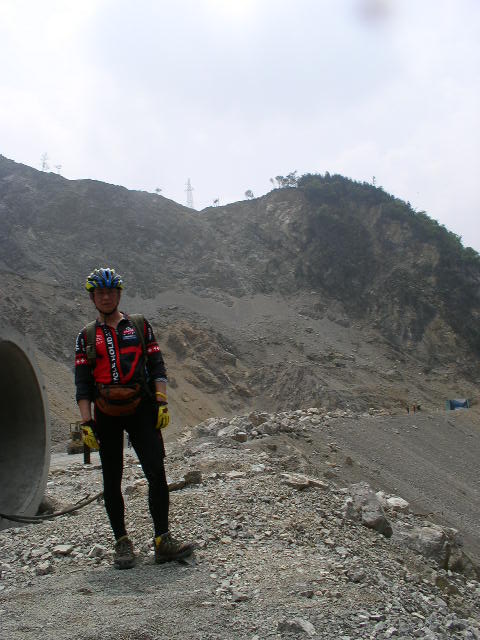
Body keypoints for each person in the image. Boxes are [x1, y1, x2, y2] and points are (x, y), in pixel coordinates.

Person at [74, 267, 193, 569]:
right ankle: (122, 542)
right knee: (111, 478)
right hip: (105, 414)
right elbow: (82, 384)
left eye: (110, 292)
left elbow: (157, 365)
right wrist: (86, 423)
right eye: (100, 293)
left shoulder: (139, 325)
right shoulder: (86, 336)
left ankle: (162, 540)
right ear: (92, 298)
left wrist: (162, 402)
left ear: (118, 294)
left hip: (143, 408)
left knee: (156, 472)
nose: (105, 297)